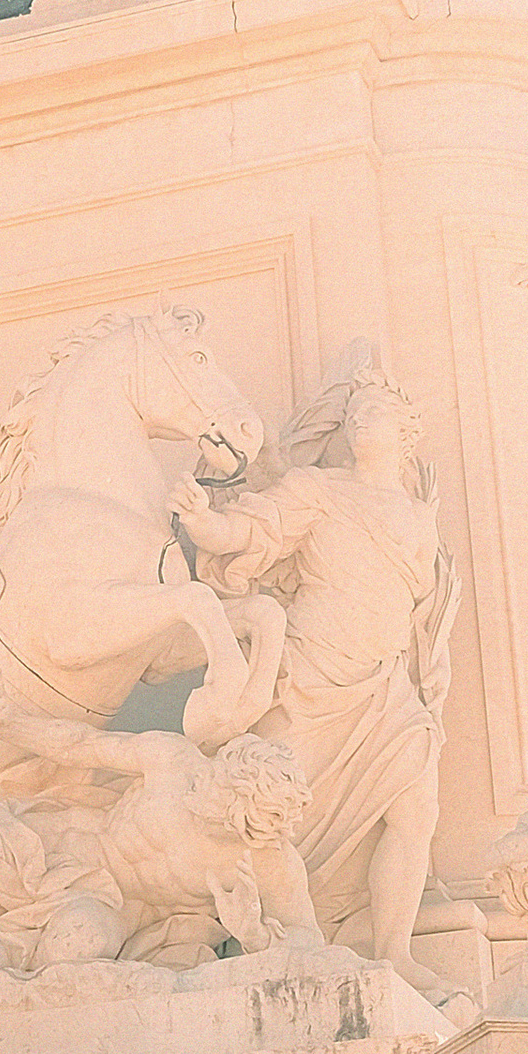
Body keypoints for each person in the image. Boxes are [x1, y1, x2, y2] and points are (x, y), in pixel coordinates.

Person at [172, 354, 462, 983]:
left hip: (387, 686)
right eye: (355, 413)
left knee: (416, 812)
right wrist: (204, 523)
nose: (361, 423)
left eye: (377, 413)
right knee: (262, 816)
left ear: (407, 432)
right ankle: (243, 932)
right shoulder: (318, 491)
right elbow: (255, 530)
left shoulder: (419, 518)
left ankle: (394, 952)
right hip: (310, 676)